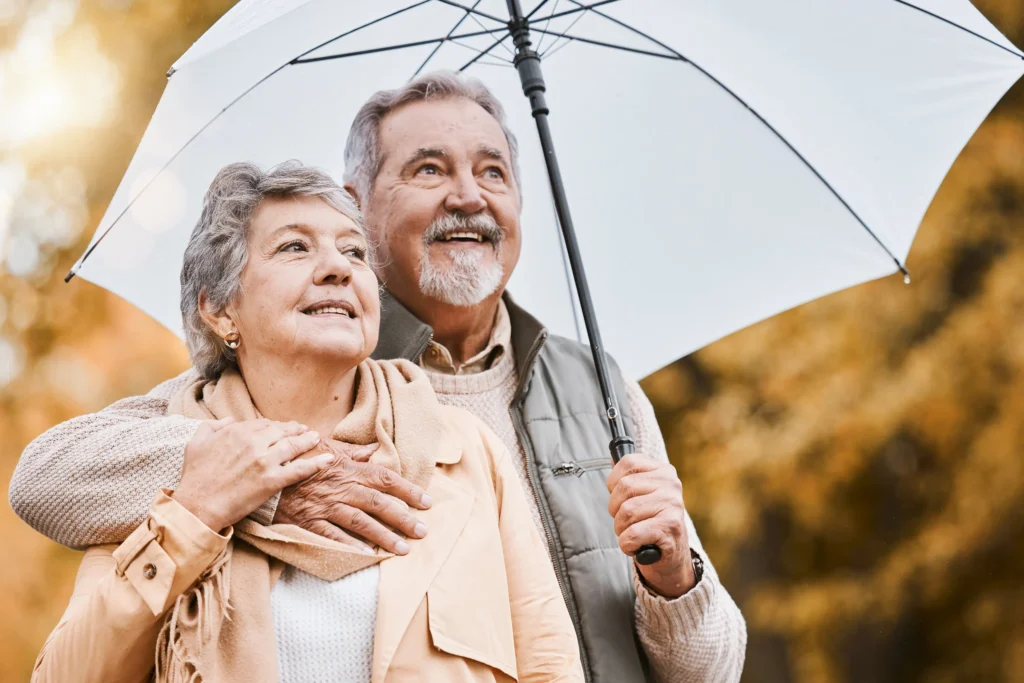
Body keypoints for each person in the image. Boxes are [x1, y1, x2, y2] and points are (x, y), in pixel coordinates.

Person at [11, 72, 746, 682]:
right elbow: (48, 477)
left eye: (493, 172)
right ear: (359, 203)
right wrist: (263, 479)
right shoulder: (280, 373)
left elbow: (708, 670)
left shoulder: (598, 391)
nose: (470, 196)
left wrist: (674, 576)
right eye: (430, 169)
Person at [29, 161, 583, 683]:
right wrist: (204, 507)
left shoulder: (465, 450)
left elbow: (549, 665)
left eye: (355, 252)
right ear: (219, 310)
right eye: (294, 247)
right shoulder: (161, 465)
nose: (339, 268)